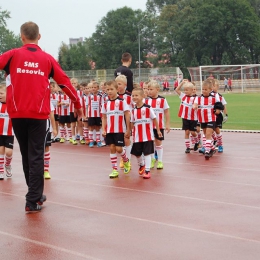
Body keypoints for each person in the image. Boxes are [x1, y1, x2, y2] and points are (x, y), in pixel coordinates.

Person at [0, 21, 82, 213]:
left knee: (29, 155)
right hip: (38, 114)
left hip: (17, 113)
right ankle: (33, 198)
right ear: (39, 37)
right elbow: (64, 82)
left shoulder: (12, 55)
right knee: (36, 154)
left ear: (22, 36)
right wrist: (77, 104)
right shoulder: (47, 59)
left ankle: (34, 194)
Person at [101, 80, 131, 178]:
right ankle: (114, 169)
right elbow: (104, 117)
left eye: (111, 89)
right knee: (112, 148)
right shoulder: (106, 104)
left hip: (119, 130)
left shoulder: (122, 102)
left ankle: (126, 160)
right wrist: (103, 129)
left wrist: (128, 129)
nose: (109, 91)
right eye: (107, 89)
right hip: (109, 130)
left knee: (119, 149)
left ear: (117, 90)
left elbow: (127, 115)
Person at [131, 88, 162, 179]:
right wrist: (129, 131)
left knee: (147, 153)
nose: (134, 97)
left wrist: (158, 130)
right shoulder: (133, 110)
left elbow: (154, 119)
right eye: (133, 95)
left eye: (136, 95)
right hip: (137, 136)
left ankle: (147, 171)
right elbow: (132, 122)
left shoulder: (148, 108)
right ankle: (142, 164)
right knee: (137, 154)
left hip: (147, 136)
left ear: (142, 96)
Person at [145, 80, 170, 169]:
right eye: (148, 89)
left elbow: (166, 112)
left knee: (158, 142)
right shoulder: (146, 101)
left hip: (159, 126)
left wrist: (167, 124)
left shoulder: (162, 99)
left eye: (151, 89)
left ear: (157, 89)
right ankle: (152, 159)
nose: (149, 91)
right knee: (150, 143)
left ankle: (160, 161)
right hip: (148, 126)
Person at [193, 79, 220, 160]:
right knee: (205, 133)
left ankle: (207, 151)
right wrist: (194, 106)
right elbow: (195, 104)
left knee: (208, 134)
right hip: (202, 119)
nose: (204, 91)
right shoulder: (198, 98)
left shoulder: (214, 98)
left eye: (206, 89)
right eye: (203, 89)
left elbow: (219, 106)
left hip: (211, 118)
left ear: (210, 90)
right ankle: (211, 148)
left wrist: (218, 110)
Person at [175, 80, 199, 153]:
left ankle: (197, 141)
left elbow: (196, 106)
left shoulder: (196, 98)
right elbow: (177, 90)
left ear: (192, 90)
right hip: (185, 117)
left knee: (193, 132)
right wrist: (182, 83)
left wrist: (195, 107)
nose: (185, 91)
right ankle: (187, 147)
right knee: (187, 132)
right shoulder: (183, 96)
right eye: (184, 90)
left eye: (187, 90)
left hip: (193, 118)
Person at [0, 84, 14, 180]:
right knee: (0, 151)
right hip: (0, 133)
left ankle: (7, 165)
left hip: (9, 133)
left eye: (1, 93)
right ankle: (1, 171)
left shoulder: (12, 104)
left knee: (8, 153)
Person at [44, 102, 57, 179]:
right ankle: (37, 170)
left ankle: (46, 170)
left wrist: (54, 128)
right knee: (36, 149)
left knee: (46, 148)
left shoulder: (48, 101)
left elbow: (51, 115)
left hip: (46, 128)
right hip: (35, 129)